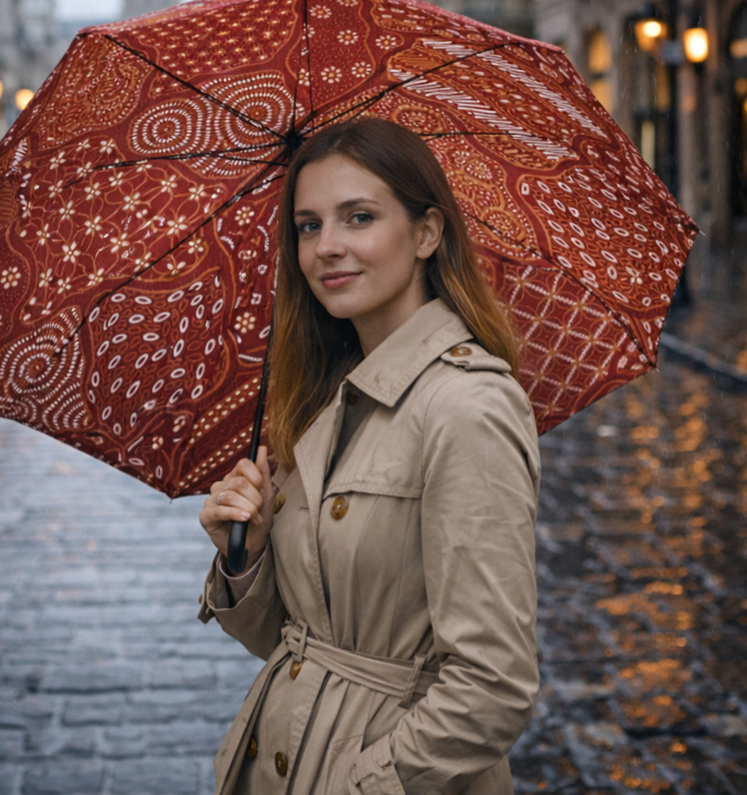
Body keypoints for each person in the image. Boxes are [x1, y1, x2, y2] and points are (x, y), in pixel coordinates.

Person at [198, 118, 540, 795]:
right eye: (308, 225)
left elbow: (492, 688)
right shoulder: (324, 400)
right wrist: (248, 557)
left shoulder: (466, 407)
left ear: (426, 233)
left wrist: (361, 785)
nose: (328, 247)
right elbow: (298, 641)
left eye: (358, 217)